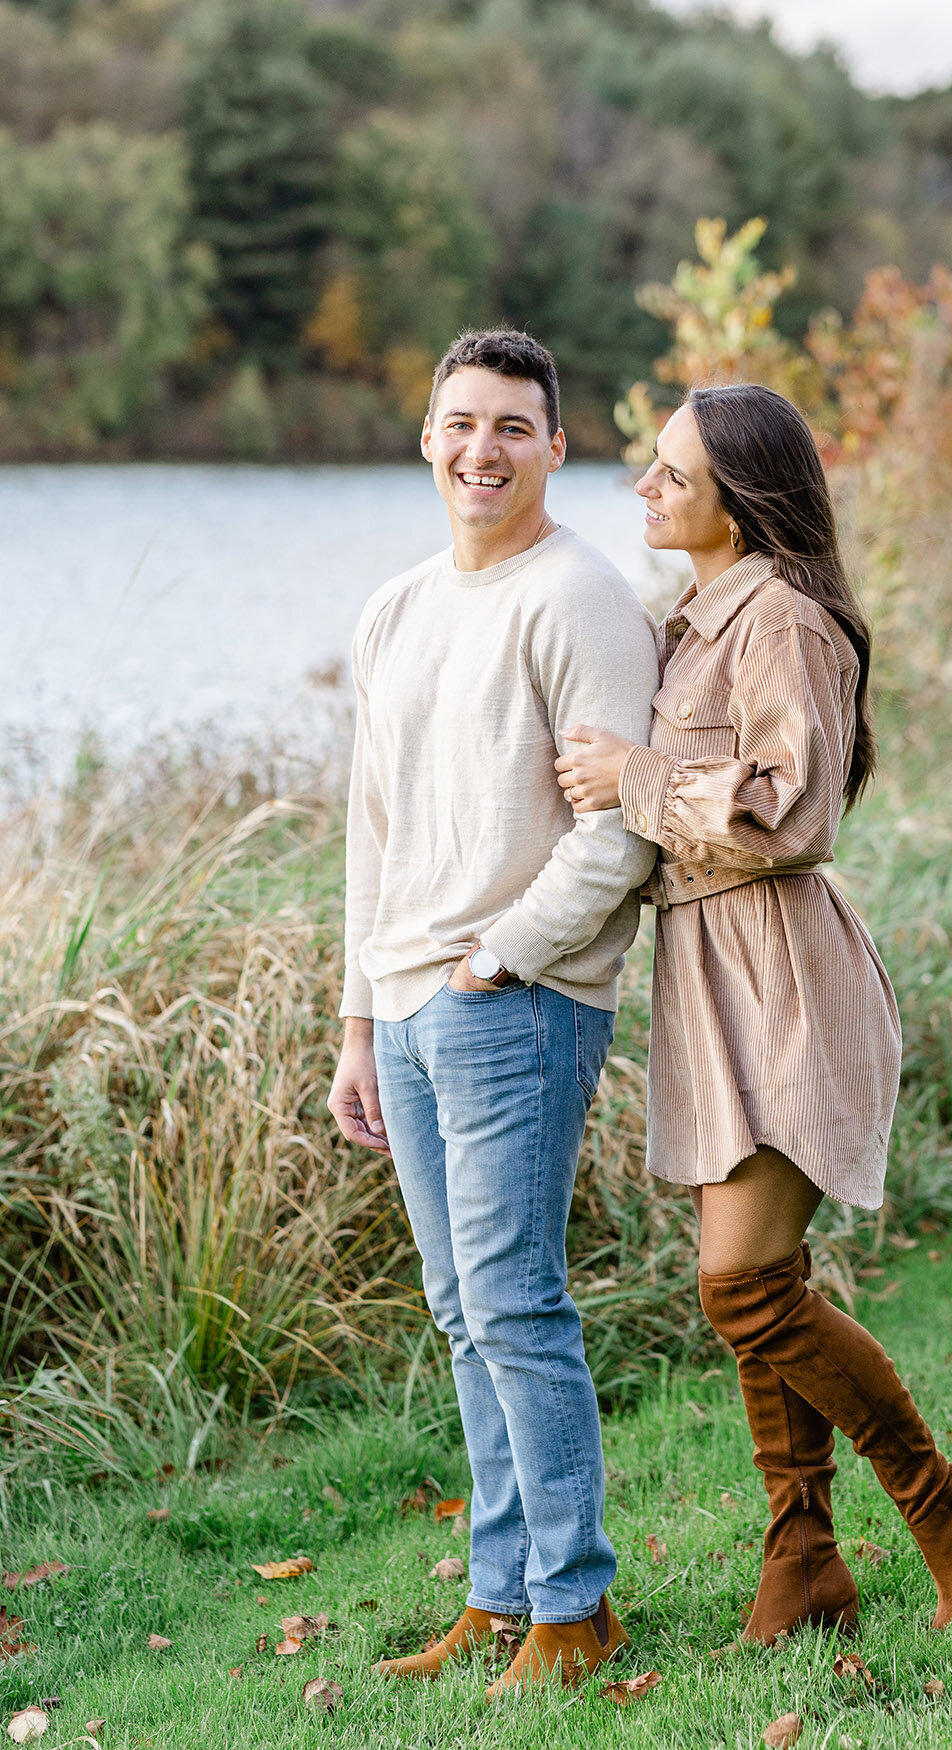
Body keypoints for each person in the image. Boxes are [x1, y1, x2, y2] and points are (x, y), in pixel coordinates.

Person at [555, 382, 952, 1642]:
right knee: (760, 1278)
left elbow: (795, 809)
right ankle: (804, 1558)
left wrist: (634, 778)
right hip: (712, 976)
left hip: (785, 980)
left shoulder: (784, 619)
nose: (645, 489)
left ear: (740, 498)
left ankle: (942, 1502)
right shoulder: (696, 617)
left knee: (746, 1290)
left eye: (670, 473)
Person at [328, 330, 659, 1692]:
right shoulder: (397, 605)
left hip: (513, 1004)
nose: (481, 450)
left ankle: (575, 1609)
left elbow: (618, 830)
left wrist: (502, 957)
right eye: (459, 423)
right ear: (425, 437)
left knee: (515, 1305)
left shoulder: (580, 596)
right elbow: (372, 824)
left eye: (512, 427)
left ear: (555, 448)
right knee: (461, 1309)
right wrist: (356, 1018)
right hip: (404, 1007)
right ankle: (501, 1588)